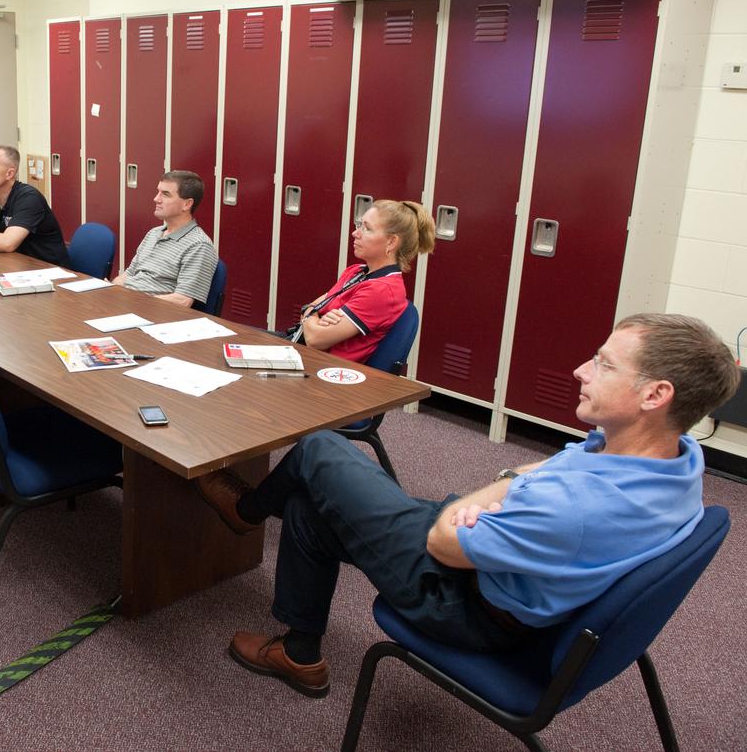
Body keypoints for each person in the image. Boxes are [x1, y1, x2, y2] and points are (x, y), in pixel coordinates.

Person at [195, 313, 740, 699]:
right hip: (512, 565)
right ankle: (300, 651)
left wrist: (489, 495)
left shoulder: (573, 509)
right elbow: (543, 474)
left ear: (655, 395)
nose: (581, 370)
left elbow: (444, 542)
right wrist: (511, 489)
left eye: (604, 364)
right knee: (312, 508)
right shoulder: (678, 456)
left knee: (320, 448)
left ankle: (244, 515)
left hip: (464, 602)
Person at [281, 199, 435, 363]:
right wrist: (314, 315)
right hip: (301, 351)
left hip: (324, 371)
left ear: (391, 242)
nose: (355, 233)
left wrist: (310, 316)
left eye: (367, 228)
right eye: (360, 225)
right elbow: (313, 308)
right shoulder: (356, 271)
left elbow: (315, 339)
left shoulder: (383, 290)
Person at [112, 171, 217, 308]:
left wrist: (135, 301)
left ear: (187, 204)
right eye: (158, 192)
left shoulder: (199, 245)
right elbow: (127, 275)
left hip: (152, 313)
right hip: (126, 303)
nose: (156, 199)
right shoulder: (153, 233)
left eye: (165, 194)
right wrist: (112, 291)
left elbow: (183, 300)